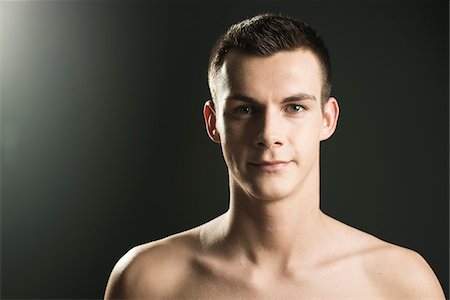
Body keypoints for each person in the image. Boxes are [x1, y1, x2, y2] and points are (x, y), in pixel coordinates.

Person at [104, 14, 445, 299]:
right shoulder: (146, 282)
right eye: (245, 109)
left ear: (327, 119)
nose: (268, 134)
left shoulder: (401, 285)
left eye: (294, 107)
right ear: (213, 123)